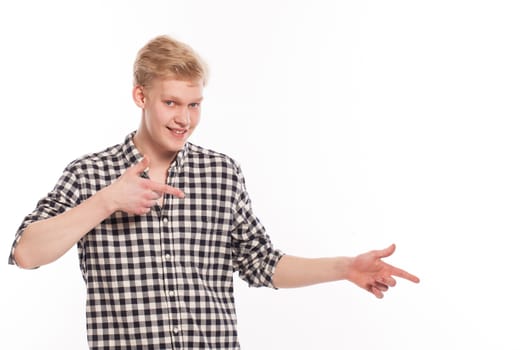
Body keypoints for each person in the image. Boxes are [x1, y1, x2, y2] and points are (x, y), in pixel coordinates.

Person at [8, 35, 420, 349]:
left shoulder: (221, 173)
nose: (184, 119)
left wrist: (345, 268)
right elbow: (26, 254)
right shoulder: (90, 174)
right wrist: (108, 200)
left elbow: (260, 263)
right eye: (171, 103)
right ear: (140, 96)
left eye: (194, 105)